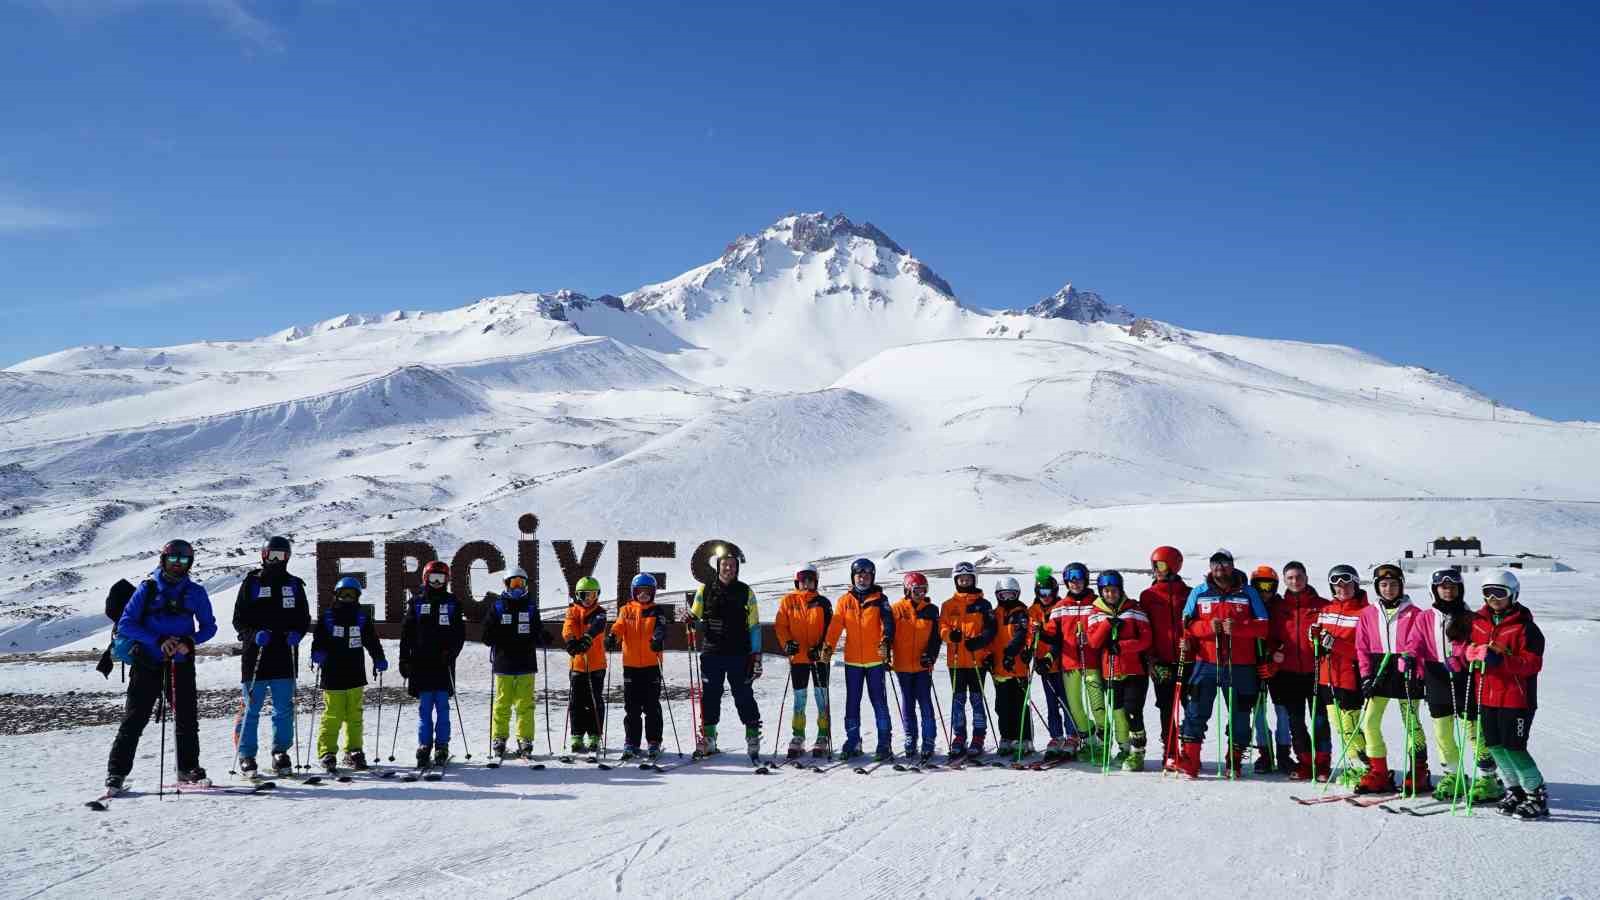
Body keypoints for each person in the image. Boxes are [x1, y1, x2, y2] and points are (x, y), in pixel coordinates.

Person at [105, 540, 218, 791]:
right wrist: (158, 640)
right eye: (173, 560)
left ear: (190, 563)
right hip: (147, 662)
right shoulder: (147, 588)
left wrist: (190, 642)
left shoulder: (196, 592)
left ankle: (188, 768)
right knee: (134, 718)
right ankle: (116, 773)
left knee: (187, 718)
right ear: (163, 560)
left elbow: (210, 627)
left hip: (181, 664)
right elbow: (126, 624)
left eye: (184, 561)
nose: (178, 566)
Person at [1405, 567, 1498, 803]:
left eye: (1453, 587)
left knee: (1473, 730)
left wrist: (1460, 657)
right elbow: (1416, 642)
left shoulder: (1472, 618)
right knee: (1442, 731)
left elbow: (1475, 643)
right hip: (1435, 675)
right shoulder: (1425, 617)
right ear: (1434, 590)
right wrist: (1408, 657)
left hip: (1463, 676)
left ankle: (1488, 777)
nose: (1448, 591)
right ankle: (1453, 775)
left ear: (1460, 589)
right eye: (1443, 587)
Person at [1173, 549, 1268, 779]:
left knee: (1240, 714)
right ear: (1210, 567)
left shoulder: (1248, 593)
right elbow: (1187, 624)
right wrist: (1206, 628)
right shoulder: (1199, 592)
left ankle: (1234, 759)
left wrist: (1240, 628)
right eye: (1215, 564)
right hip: (1206, 662)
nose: (1220, 568)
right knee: (1196, 710)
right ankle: (1191, 760)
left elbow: (1264, 626)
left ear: (1232, 566)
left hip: (1240, 665)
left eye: (1224, 564)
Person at [1465, 570, 1548, 820]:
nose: (1493, 597)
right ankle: (1515, 791)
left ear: (1513, 593)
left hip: (1516, 698)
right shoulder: (1478, 622)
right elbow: (1470, 647)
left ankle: (1536, 795)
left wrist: (1500, 660)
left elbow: (1531, 664)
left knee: (1514, 747)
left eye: (1499, 592)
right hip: (1487, 695)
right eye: (1487, 592)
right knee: (1495, 747)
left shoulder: (1526, 628)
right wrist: (1470, 654)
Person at [231, 535, 311, 778]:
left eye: (282, 556)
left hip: (284, 655)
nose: (277, 560)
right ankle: (246, 755)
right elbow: (238, 621)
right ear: (264, 556)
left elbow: (303, 618)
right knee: (251, 708)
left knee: (284, 708)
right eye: (272, 555)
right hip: (256, 655)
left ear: (287, 558)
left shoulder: (294, 585)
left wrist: (298, 632)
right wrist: (253, 635)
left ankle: (280, 752)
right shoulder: (252, 583)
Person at [1353, 563, 1429, 794]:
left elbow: (1421, 646)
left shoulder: (1415, 613)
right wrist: (1366, 676)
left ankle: (1418, 771)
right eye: (1383, 585)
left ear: (1401, 586)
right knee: (1369, 722)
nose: (1389, 589)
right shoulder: (1368, 613)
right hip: (1380, 671)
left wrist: (1418, 674)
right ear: (1377, 587)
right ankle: (1378, 772)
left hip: (1406, 672)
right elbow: (1361, 648)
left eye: (1394, 584)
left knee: (1411, 723)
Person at [688, 546, 762, 759]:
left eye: (732, 565)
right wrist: (690, 619)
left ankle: (752, 735)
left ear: (737, 568)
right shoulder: (705, 589)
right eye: (724, 565)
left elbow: (755, 626)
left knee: (743, 694)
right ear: (718, 566)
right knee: (710, 695)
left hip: (739, 653)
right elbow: (695, 612)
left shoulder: (745, 591)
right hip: (712, 652)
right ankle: (709, 738)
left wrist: (756, 655)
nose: (728, 568)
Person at [310, 575, 386, 773]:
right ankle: (327, 752)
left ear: (357, 597)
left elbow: (372, 640)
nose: (347, 598)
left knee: (354, 715)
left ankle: (354, 750)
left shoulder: (361, 617)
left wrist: (378, 658)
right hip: (332, 674)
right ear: (336, 595)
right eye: (343, 594)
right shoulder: (327, 617)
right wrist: (316, 653)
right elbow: (318, 640)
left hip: (354, 673)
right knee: (332, 715)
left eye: (351, 595)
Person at [824, 558, 895, 761]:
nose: (862, 578)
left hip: (875, 661)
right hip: (853, 661)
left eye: (866, 575)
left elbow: (888, 623)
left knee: (879, 703)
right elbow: (836, 626)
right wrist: (828, 645)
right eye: (859, 574)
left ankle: (884, 742)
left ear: (872, 577)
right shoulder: (844, 601)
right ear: (853, 577)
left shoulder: (880, 599)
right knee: (852, 703)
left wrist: (886, 640)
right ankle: (853, 740)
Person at [1265, 561, 1329, 781]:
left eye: (1299, 576)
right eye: (1290, 578)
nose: (1295, 581)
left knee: (1320, 720)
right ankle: (1304, 762)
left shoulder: (1322, 605)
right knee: (1295, 721)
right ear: (1284, 580)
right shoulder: (1279, 608)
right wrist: (1274, 652)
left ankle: (1322, 764)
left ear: (1306, 578)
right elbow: (1270, 638)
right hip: (1288, 673)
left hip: (1317, 672)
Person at [400, 560, 465, 770]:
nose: (437, 583)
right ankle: (424, 744)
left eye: (441, 579)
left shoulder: (453, 602)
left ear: (447, 580)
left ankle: (442, 745)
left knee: (443, 707)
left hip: (443, 664)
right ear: (425, 579)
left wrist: (452, 653)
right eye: (433, 579)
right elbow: (406, 634)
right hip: (421, 664)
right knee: (425, 708)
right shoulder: (416, 603)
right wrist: (404, 659)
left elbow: (459, 634)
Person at [1310, 564, 1370, 786]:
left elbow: (1365, 651)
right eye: (1336, 583)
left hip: (1349, 676)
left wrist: (1335, 644)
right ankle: (1356, 766)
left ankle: (1367, 767)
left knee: (1350, 725)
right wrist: (1314, 639)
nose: (1341, 587)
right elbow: (1319, 645)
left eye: (1346, 582)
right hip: (1327, 677)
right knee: (1338, 726)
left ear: (1355, 583)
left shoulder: (1365, 612)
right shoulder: (1326, 610)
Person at [1085, 570, 1152, 771]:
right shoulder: (1095, 613)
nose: (1110, 594)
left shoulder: (1133, 610)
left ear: (1120, 590)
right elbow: (1094, 642)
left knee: (1133, 710)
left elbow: (1146, 639)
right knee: (1118, 712)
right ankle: (1124, 748)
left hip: (1134, 670)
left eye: (1114, 590)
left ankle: (1138, 753)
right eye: (1106, 591)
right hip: (1110, 670)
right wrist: (1107, 624)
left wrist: (1123, 646)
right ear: (1101, 592)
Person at [1043, 562, 1107, 764]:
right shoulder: (1060, 607)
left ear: (1085, 579)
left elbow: (1104, 628)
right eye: (1071, 580)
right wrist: (1041, 633)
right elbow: (1054, 635)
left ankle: (1104, 743)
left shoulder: (1096, 603)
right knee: (1075, 708)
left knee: (1097, 707)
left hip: (1092, 663)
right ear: (1066, 582)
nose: (1075, 584)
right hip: (1069, 664)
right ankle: (1088, 742)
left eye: (1079, 579)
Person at [480, 566, 545, 762]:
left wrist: (542, 637)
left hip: (525, 663)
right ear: (506, 585)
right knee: (502, 703)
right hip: (504, 663)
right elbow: (486, 634)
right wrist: (496, 635)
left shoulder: (531, 607)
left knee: (525, 704)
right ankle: (499, 738)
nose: (517, 588)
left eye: (521, 583)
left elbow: (537, 631)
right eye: (513, 583)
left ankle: (525, 739)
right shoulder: (498, 607)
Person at [773, 564, 834, 758]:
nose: (806, 583)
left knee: (820, 696)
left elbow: (830, 629)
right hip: (798, 657)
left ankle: (823, 735)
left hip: (819, 658)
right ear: (796, 581)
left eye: (810, 579)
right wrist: (787, 643)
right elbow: (781, 625)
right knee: (800, 698)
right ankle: (798, 735)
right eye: (803, 579)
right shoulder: (788, 601)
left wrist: (822, 648)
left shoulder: (823, 602)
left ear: (816, 581)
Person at [608, 573, 668, 761]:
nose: (643, 596)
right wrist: (612, 637)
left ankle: (653, 742)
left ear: (653, 593)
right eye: (640, 592)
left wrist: (657, 639)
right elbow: (619, 627)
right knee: (632, 707)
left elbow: (661, 628)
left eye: (647, 592)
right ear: (634, 592)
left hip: (651, 665)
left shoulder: (657, 611)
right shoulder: (626, 610)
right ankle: (631, 742)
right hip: (631, 665)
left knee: (652, 706)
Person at [939, 561, 995, 758]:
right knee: (958, 700)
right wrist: (949, 635)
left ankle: (978, 737)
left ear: (974, 579)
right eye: (961, 579)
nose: (964, 581)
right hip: (955, 660)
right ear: (956, 580)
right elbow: (942, 628)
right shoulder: (948, 605)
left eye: (968, 578)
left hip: (976, 660)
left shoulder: (983, 604)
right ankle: (959, 736)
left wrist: (980, 641)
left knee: (977, 700)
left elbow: (990, 630)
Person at [1141, 546, 1189, 769]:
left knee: (1193, 707)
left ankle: (1190, 749)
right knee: (1167, 707)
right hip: (1161, 660)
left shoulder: (1188, 593)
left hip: (1188, 659)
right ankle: (1170, 750)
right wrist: (1150, 658)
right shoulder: (1148, 596)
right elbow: (1145, 628)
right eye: (1154, 566)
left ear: (1173, 566)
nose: (1156, 570)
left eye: (1160, 565)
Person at [890, 572, 942, 766]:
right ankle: (910, 737)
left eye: (923, 590)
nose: (920, 594)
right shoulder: (896, 609)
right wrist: (886, 653)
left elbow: (936, 638)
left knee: (925, 703)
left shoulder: (931, 610)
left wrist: (931, 655)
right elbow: (887, 633)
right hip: (902, 666)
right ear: (907, 590)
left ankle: (928, 741)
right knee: (907, 704)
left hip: (922, 666)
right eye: (916, 590)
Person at [1248, 565, 1293, 774]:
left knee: (1282, 709)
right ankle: (1265, 752)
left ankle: (1284, 752)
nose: (1264, 591)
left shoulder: (1281, 607)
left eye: (1269, 586)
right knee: (1258, 710)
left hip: (1278, 666)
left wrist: (1276, 658)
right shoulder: (1248, 604)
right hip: (1253, 662)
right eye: (1260, 586)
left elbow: (1288, 635)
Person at [988, 576, 1036, 759]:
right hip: (999, 669)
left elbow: (1022, 636)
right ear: (998, 595)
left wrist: (1014, 653)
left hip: (1017, 668)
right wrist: (988, 656)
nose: (1007, 599)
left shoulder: (1022, 614)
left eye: (1011, 595)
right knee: (1002, 706)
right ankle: (1006, 738)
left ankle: (1024, 740)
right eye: (1003, 595)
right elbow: (990, 638)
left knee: (1019, 706)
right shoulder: (994, 614)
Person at [1029, 569, 1074, 759]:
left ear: (1055, 592)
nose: (1045, 597)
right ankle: (1056, 736)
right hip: (1043, 666)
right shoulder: (1032, 611)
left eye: (1049, 593)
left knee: (1067, 701)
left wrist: (1049, 657)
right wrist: (1029, 652)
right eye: (1041, 593)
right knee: (1051, 702)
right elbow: (1029, 636)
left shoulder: (1061, 608)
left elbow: (1061, 639)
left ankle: (1072, 736)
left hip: (1061, 664)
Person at [562, 576, 609, 757]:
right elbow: (568, 626)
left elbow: (597, 626)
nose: (589, 598)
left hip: (596, 664)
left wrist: (587, 638)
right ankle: (577, 735)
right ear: (578, 595)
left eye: (593, 594)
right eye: (585, 595)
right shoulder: (572, 610)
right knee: (576, 701)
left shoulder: (600, 612)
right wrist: (571, 641)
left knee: (594, 700)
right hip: (578, 665)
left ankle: (595, 735)